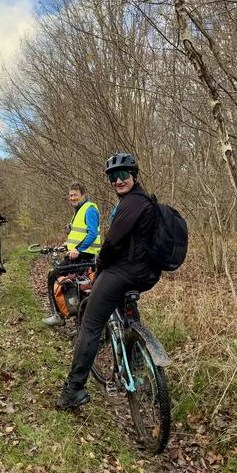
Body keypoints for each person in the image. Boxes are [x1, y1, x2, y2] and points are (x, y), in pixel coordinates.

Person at [55, 153, 161, 410]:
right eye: (114, 177)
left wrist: (100, 265)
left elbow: (112, 243)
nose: (118, 180)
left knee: (90, 324)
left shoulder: (129, 204)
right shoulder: (147, 201)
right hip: (146, 273)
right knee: (127, 314)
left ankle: (74, 390)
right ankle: (135, 354)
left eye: (123, 175)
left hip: (123, 272)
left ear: (134, 176)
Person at [42, 182, 102, 326]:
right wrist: (67, 245)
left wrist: (77, 249)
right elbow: (78, 234)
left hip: (84, 256)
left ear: (83, 195)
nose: (72, 198)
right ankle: (77, 309)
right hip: (79, 253)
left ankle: (58, 316)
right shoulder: (79, 210)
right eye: (70, 195)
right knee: (78, 283)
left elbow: (92, 234)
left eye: (75, 195)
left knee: (53, 275)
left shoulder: (89, 209)